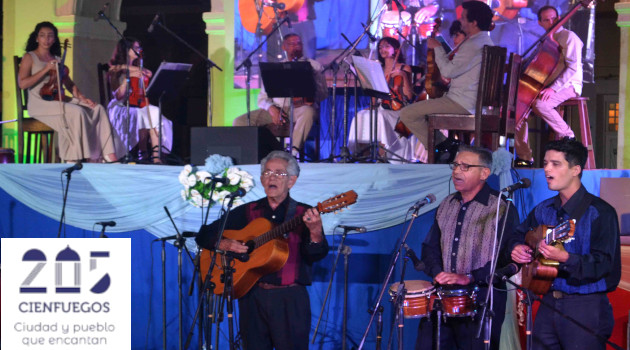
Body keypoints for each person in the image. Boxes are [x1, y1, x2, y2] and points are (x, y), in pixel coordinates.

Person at [195, 150, 328, 350]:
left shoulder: (304, 213)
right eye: (267, 173)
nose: (271, 177)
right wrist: (224, 244)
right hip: (252, 296)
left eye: (278, 173)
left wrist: (316, 232)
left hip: (289, 300)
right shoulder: (248, 211)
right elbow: (204, 234)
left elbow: (315, 255)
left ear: (291, 181)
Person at [510, 138, 620, 349]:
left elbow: (605, 265)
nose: (547, 169)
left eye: (555, 164)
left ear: (575, 169)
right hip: (547, 300)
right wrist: (517, 248)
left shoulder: (600, 212)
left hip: (585, 305)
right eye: (545, 163)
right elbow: (518, 234)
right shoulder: (544, 209)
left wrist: (566, 258)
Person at [416, 145, 519, 350]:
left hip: (481, 301)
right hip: (443, 298)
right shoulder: (447, 204)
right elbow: (430, 248)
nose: (456, 171)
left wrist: (470, 277)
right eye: (455, 165)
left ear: (484, 173)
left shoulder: (500, 207)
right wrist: (438, 273)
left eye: (465, 167)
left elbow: (507, 258)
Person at [399, 1, 494, 162]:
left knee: (407, 113)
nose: (460, 21)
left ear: (474, 22)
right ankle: (448, 148)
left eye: (463, 18)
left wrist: (437, 47)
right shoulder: (485, 41)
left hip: (462, 102)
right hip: (471, 101)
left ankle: (446, 149)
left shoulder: (472, 44)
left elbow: (448, 71)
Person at [17, 21, 120, 163]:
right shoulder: (29, 57)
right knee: (76, 112)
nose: (46, 39)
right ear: (36, 38)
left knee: (97, 109)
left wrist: (83, 99)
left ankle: (108, 155)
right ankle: (75, 158)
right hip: (39, 103)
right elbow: (22, 84)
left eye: (50, 36)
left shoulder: (58, 59)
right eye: (42, 36)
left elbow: (70, 84)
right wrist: (45, 69)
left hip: (58, 99)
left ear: (54, 39)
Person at [233, 34, 328, 158]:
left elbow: (323, 94)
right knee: (239, 121)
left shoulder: (314, 66)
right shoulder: (276, 68)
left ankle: (292, 153)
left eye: (298, 43)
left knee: (308, 113)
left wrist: (313, 89)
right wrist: (272, 109)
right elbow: (262, 98)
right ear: (284, 47)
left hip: (301, 109)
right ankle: (269, 151)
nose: (296, 47)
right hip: (278, 109)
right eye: (291, 44)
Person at [514, 6, 582, 167]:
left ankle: (568, 136)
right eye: (547, 20)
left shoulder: (569, 37)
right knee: (517, 112)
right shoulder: (546, 40)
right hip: (545, 85)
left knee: (541, 104)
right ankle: (525, 157)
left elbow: (572, 68)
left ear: (559, 18)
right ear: (540, 22)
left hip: (568, 84)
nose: (552, 22)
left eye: (554, 18)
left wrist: (554, 88)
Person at [348, 36, 425, 163]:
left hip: (398, 109)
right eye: (380, 47)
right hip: (381, 107)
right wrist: (371, 106)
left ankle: (382, 155)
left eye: (386, 46)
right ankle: (362, 155)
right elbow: (374, 95)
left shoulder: (404, 68)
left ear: (395, 49)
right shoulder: (378, 69)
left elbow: (409, 96)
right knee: (361, 115)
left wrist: (403, 76)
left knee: (380, 116)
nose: (382, 49)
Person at [107, 37, 174, 163]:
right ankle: (141, 152)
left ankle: (156, 156)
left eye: (139, 47)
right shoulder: (116, 69)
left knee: (155, 113)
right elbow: (118, 96)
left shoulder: (138, 67)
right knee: (142, 115)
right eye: (136, 47)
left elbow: (149, 73)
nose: (139, 50)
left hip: (137, 104)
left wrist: (133, 69)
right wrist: (128, 77)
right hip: (120, 107)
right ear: (126, 50)